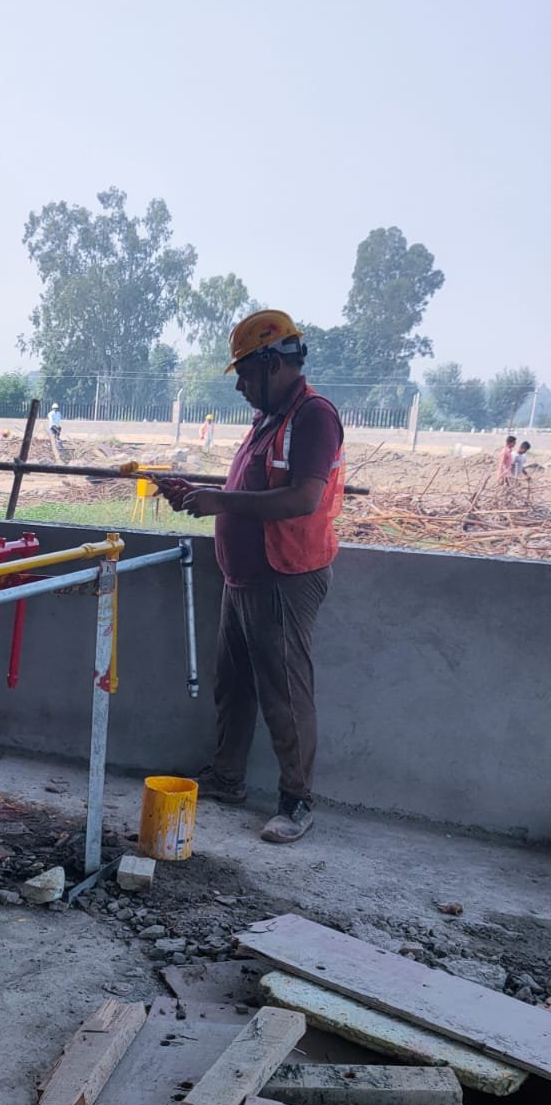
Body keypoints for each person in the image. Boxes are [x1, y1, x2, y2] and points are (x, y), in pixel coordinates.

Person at [158, 309, 345, 846]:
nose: (240, 386)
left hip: (284, 575)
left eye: (244, 373)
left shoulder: (313, 417)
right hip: (244, 576)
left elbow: (303, 498)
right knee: (233, 685)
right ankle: (227, 777)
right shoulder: (270, 418)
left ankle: (297, 801)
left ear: (272, 365)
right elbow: (253, 488)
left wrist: (220, 501)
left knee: (284, 692)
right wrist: (202, 493)